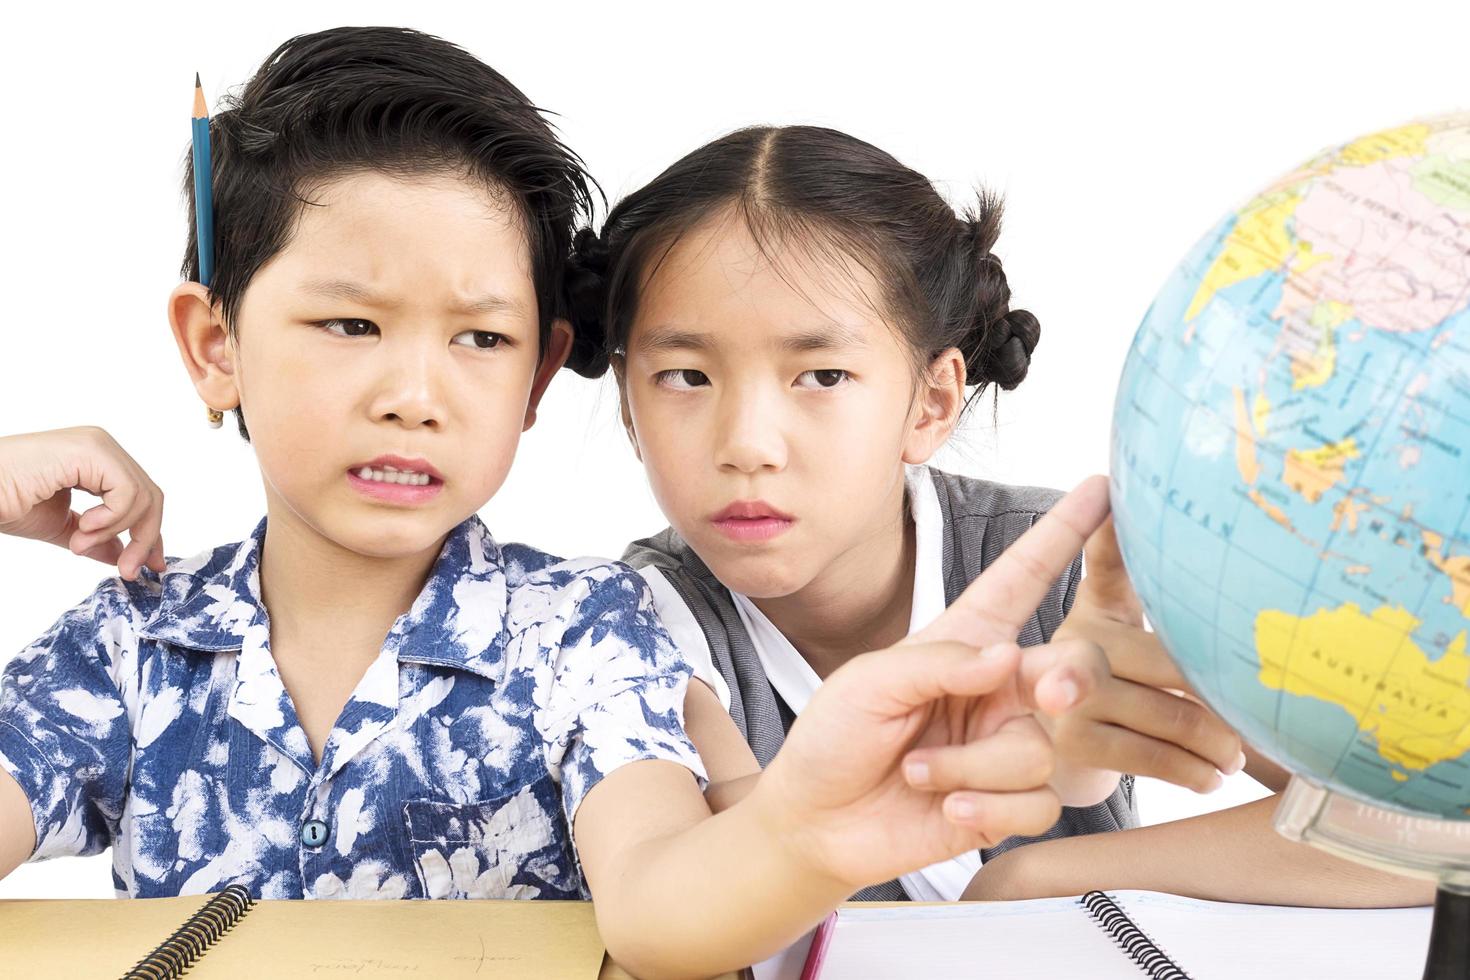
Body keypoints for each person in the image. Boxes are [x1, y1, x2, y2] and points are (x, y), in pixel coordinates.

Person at [0, 27, 1128, 978]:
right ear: (215, 345)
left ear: (539, 376)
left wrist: (805, 831)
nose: (413, 395)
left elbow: (656, 899)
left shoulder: (589, 632)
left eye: (479, 338)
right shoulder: (127, 647)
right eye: (350, 324)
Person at [559, 124, 1434, 907]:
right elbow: (730, 926)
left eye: (821, 376)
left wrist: (1041, 874)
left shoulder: (1079, 574)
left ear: (932, 403)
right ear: (630, 405)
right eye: (686, 376)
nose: (747, 443)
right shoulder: (620, 636)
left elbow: (1431, 832)